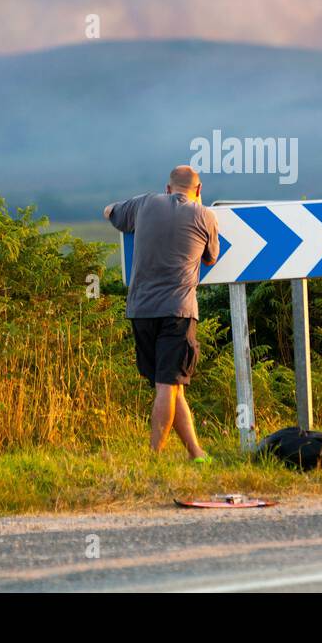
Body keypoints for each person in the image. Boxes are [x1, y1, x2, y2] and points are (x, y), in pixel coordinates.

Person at [104, 166, 219, 460]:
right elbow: (211, 257)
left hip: (141, 310)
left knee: (170, 385)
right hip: (177, 312)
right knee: (168, 387)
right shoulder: (204, 215)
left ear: (167, 188)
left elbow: (111, 213)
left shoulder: (144, 203)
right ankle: (154, 457)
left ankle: (196, 452)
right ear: (199, 189)